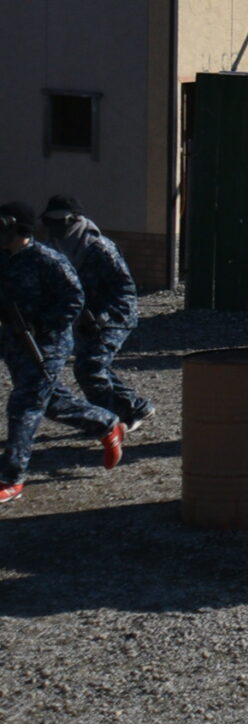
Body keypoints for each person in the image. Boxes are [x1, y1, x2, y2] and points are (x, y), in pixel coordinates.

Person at [1, 201, 125, 505]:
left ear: (19, 230)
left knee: (24, 405)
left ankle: (11, 477)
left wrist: (41, 325)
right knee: (51, 401)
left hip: (46, 345)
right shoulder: (4, 259)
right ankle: (106, 423)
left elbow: (73, 300)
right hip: (13, 344)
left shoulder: (48, 260)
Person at [40, 194, 152, 430]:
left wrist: (103, 317)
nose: (56, 228)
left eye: (61, 222)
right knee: (94, 366)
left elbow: (124, 289)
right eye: (51, 222)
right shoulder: (55, 247)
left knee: (89, 367)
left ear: (74, 220)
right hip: (85, 319)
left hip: (115, 316)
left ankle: (110, 421)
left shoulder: (99, 247)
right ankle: (133, 407)